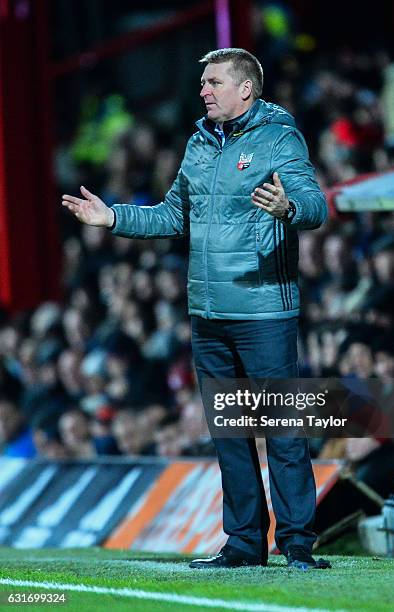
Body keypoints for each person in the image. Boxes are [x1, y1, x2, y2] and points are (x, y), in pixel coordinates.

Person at [62, 48, 329, 570]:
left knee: (282, 431)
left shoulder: (279, 136)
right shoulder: (199, 143)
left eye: (213, 82)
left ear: (245, 88)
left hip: (263, 312)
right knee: (230, 434)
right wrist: (112, 217)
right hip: (208, 314)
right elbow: (170, 216)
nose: (203, 90)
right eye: (202, 82)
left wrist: (289, 208)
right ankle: (245, 544)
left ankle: (297, 543)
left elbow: (314, 202)